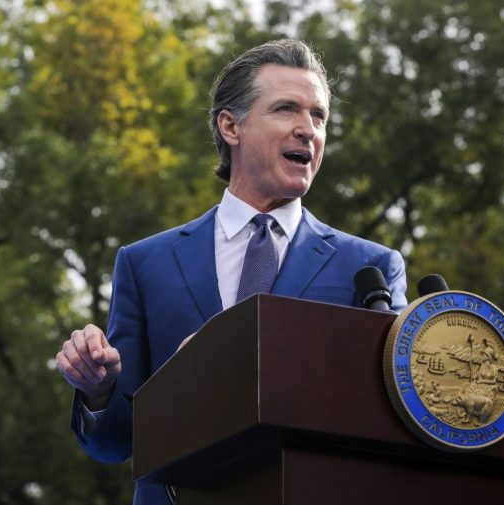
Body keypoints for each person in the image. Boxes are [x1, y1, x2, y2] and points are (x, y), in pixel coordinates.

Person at [55, 39, 408, 505]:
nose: (308, 130)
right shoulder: (146, 263)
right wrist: (99, 391)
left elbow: (393, 424)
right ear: (230, 126)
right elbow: (117, 443)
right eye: (286, 110)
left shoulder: (372, 269)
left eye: (318, 116)